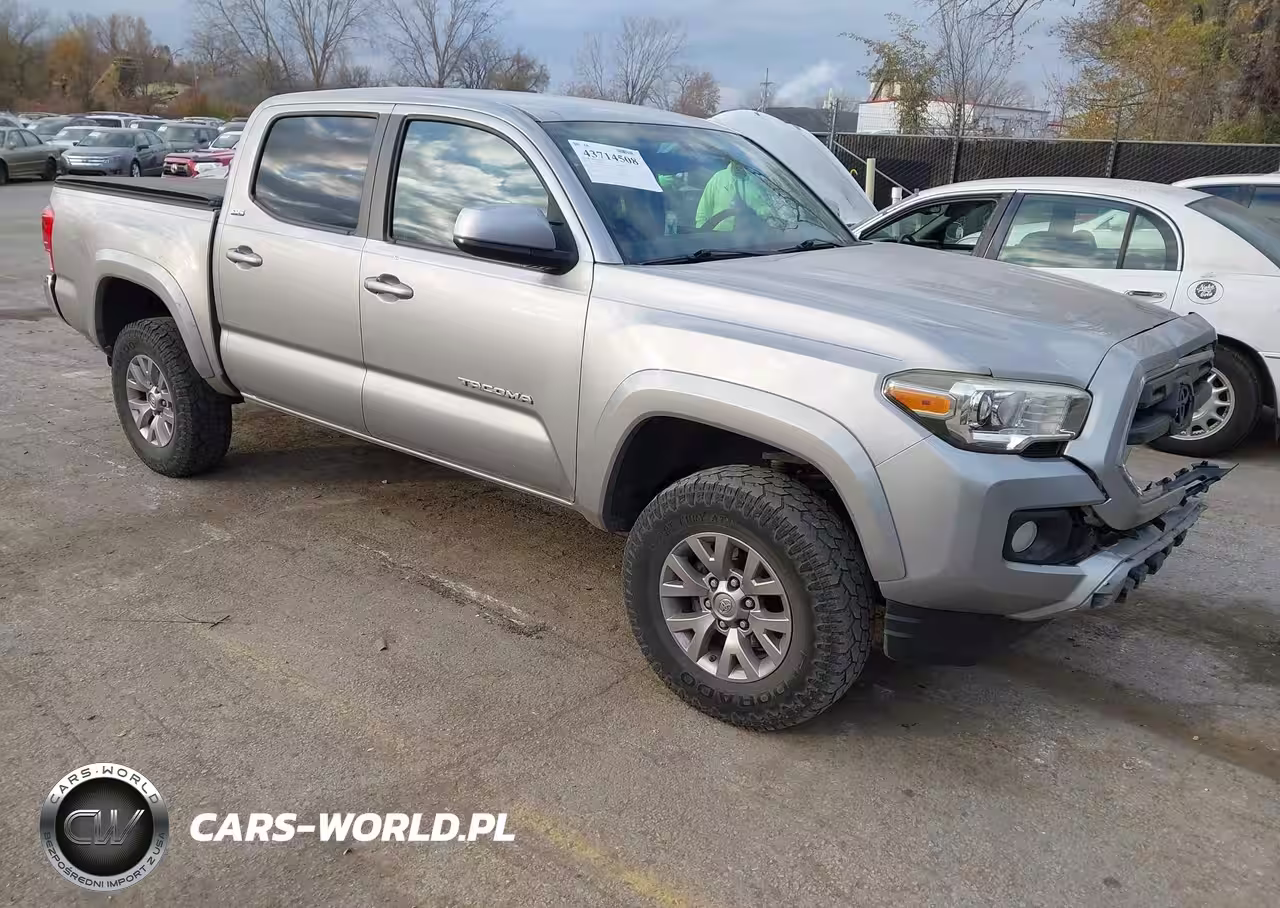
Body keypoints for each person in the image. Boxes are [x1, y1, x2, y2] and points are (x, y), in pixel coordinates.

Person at [694, 159, 776, 231]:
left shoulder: (759, 182)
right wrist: (702, 236)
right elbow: (702, 214)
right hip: (718, 239)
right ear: (731, 160)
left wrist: (752, 213)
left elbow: (770, 215)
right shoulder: (718, 178)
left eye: (740, 163)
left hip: (751, 239)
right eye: (735, 162)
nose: (737, 166)